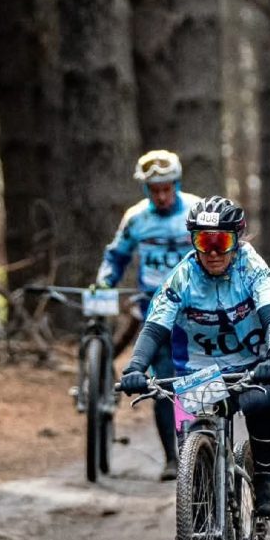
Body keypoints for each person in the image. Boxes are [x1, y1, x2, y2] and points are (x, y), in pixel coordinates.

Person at [118, 195, 270, 520]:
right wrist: (136, 367)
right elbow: (154, 328)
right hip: (200, 372)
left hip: (255, 365)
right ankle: (197, 520)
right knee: (191, 448)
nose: (212, 253)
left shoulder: (252, 268)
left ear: (236, 240)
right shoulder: (181, 277)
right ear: (193, 241)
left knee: (262, 403)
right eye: (203, 241)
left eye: (221, 242)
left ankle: (265, 476)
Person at [97, 150, 201, 480]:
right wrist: (104, 282)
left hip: (196, 310)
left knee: (199, 380)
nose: (161, 195)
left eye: (167, 188)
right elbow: (116, 256)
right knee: (165, 383)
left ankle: (205, 447)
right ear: (146, 190)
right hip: (154, 312)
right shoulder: (137, 218)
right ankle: (174, 458)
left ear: (177, 184)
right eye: (154, 189)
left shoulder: (198, 210)